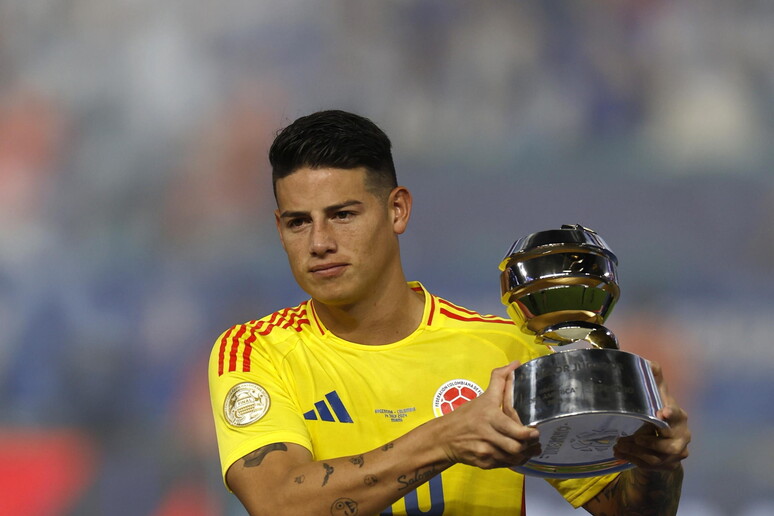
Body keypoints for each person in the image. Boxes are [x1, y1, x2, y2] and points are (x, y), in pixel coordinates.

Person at [208, 110, 690, 515]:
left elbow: (630, 509)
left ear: (397, 210)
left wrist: (656, 461)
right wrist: (448, 438)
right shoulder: (255, 353)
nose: (319, 243)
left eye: (343, 215)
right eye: (298, 222)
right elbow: (276, 503)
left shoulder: (505, 351)